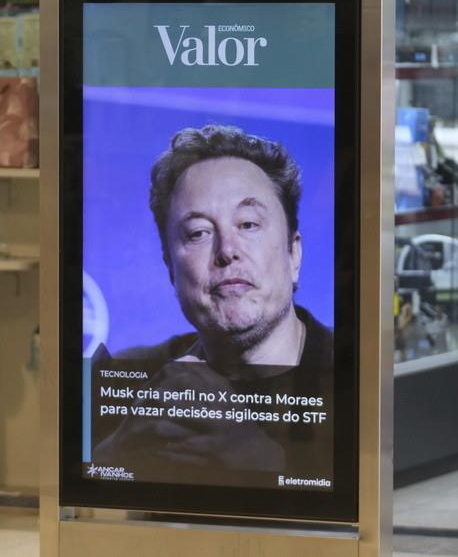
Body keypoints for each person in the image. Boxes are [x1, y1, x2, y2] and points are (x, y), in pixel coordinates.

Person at [91, 125, 332, 479]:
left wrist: (260, 460)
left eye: (248, 224)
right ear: (170, 267)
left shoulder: (358, 378)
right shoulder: (127, 376)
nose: (227, 251)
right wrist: (120, 450)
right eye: (199, 233)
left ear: (293, 253)